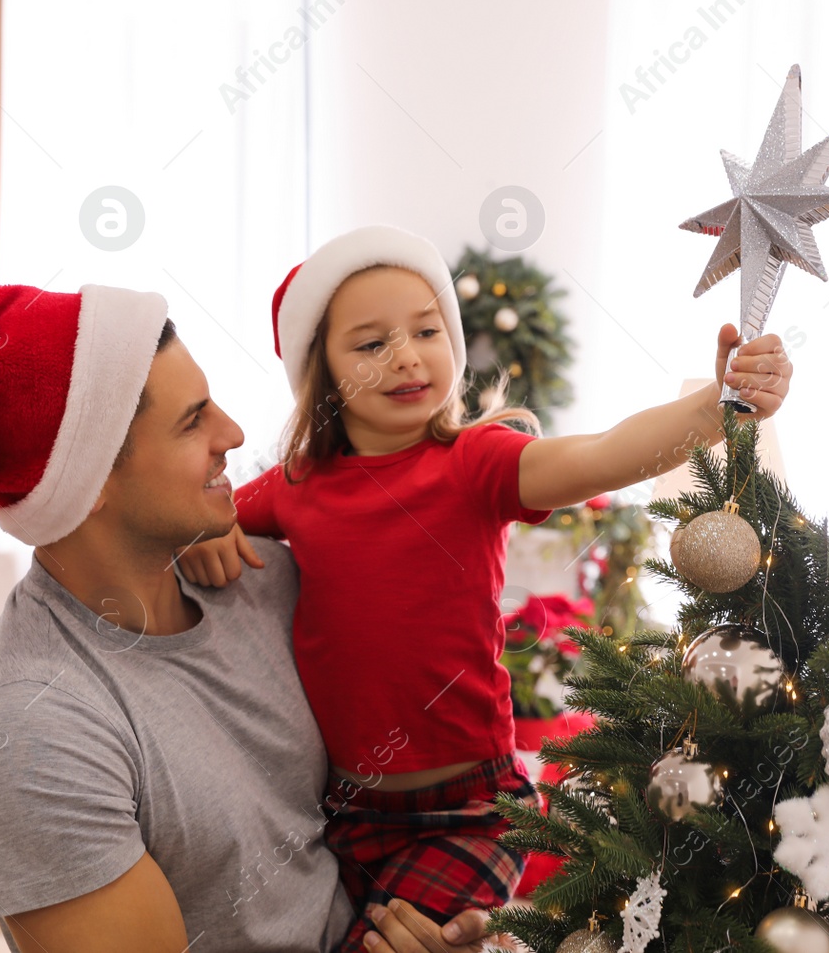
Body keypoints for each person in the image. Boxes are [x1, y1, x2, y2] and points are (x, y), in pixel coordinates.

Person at [177, 225, 794, 937]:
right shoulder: (294, 488)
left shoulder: (474, 462)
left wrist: (711, 405)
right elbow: (195, 512)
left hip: (469, 810)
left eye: (427, 330)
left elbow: (599, 453)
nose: (407, 356)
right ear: (321, 372)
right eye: (371, 344)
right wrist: (207, 528)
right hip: (343, 812)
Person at [0, 282, 492, 953]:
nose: (233, 433)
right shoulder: (32, 733)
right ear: (91, 485)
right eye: (192, 420)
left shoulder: (271, 581)